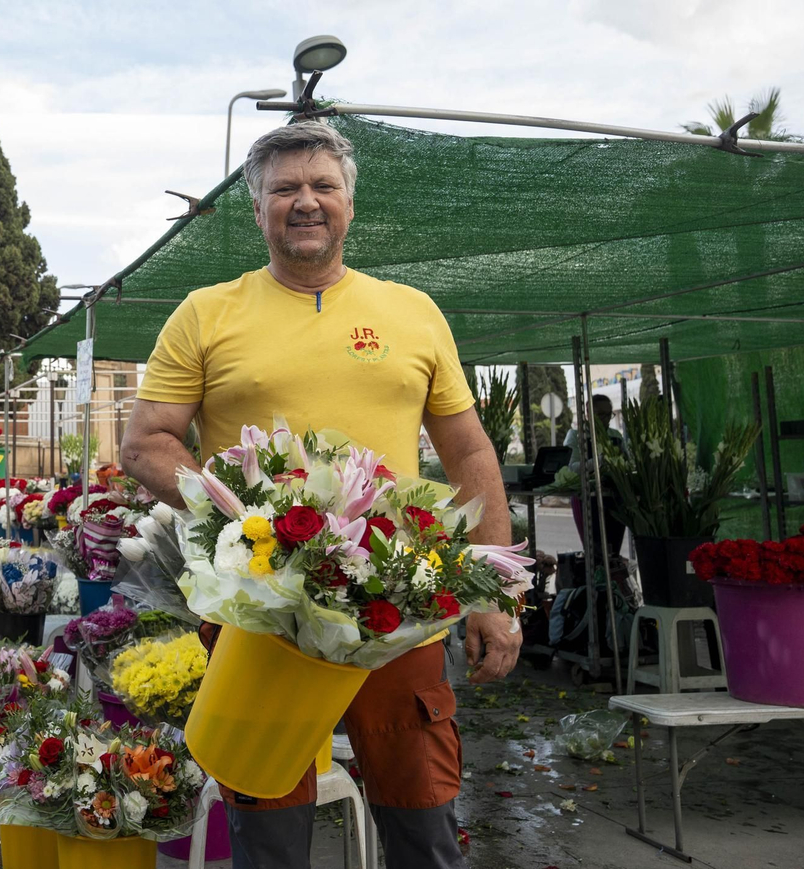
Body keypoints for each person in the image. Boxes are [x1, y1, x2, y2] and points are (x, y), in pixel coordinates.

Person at [122, 121, 519, 869]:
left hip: (399, 612)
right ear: (258, 209)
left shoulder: (413, 312)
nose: (306, 201)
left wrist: (493, 593)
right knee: (270, 833)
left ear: (349, 204)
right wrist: (251, 516)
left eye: (322, 186)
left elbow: (469, 452)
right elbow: (145, 444)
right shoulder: (207, 312)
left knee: (424, 826)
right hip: (259, 618)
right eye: (284, 189)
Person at [563, 394, 629, 556]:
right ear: (588, 414)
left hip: (615, 499)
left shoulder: (616, 435)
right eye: (600, 414)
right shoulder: (575, 435)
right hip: (587, 499)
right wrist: (600, 460)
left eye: (609, 414)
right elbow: (572, 468)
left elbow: (627, 464)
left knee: (613, 551)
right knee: (594, 551)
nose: (605, 419)